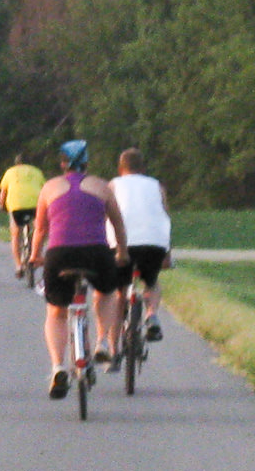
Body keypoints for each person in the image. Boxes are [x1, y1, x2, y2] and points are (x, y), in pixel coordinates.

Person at [29, 140, 129, 399]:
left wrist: (34, 256)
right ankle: (103, 342)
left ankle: (58, 367)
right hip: (96, 252)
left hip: (59, 254)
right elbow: (118, 224)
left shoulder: (50, 187)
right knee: (106, 292)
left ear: (63, 163)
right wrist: (122, 253)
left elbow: (41, 229)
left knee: (56, 312)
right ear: (86, 163)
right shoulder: (101, 186)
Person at [107, 147, 171, 342]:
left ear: (120, 168)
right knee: (151, 281)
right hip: (154, 244)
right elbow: (165, 218)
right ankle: (151, 314)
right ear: (143, 168)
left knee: (119, 294)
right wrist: (167, 254)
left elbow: (104, 216)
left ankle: (112, 351)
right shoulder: (157, 186)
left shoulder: (112, 185)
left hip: (122, 246)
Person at [0, 153, 46, 278]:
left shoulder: (10, 172)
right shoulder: (37, 172)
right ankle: (35, 255)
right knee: (38, 229)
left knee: (16, 234)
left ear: (16, 163)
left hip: (16, 205)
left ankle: (19, 266)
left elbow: (3, 192)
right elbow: (44, 189)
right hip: (35, 205)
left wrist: (1, 206)